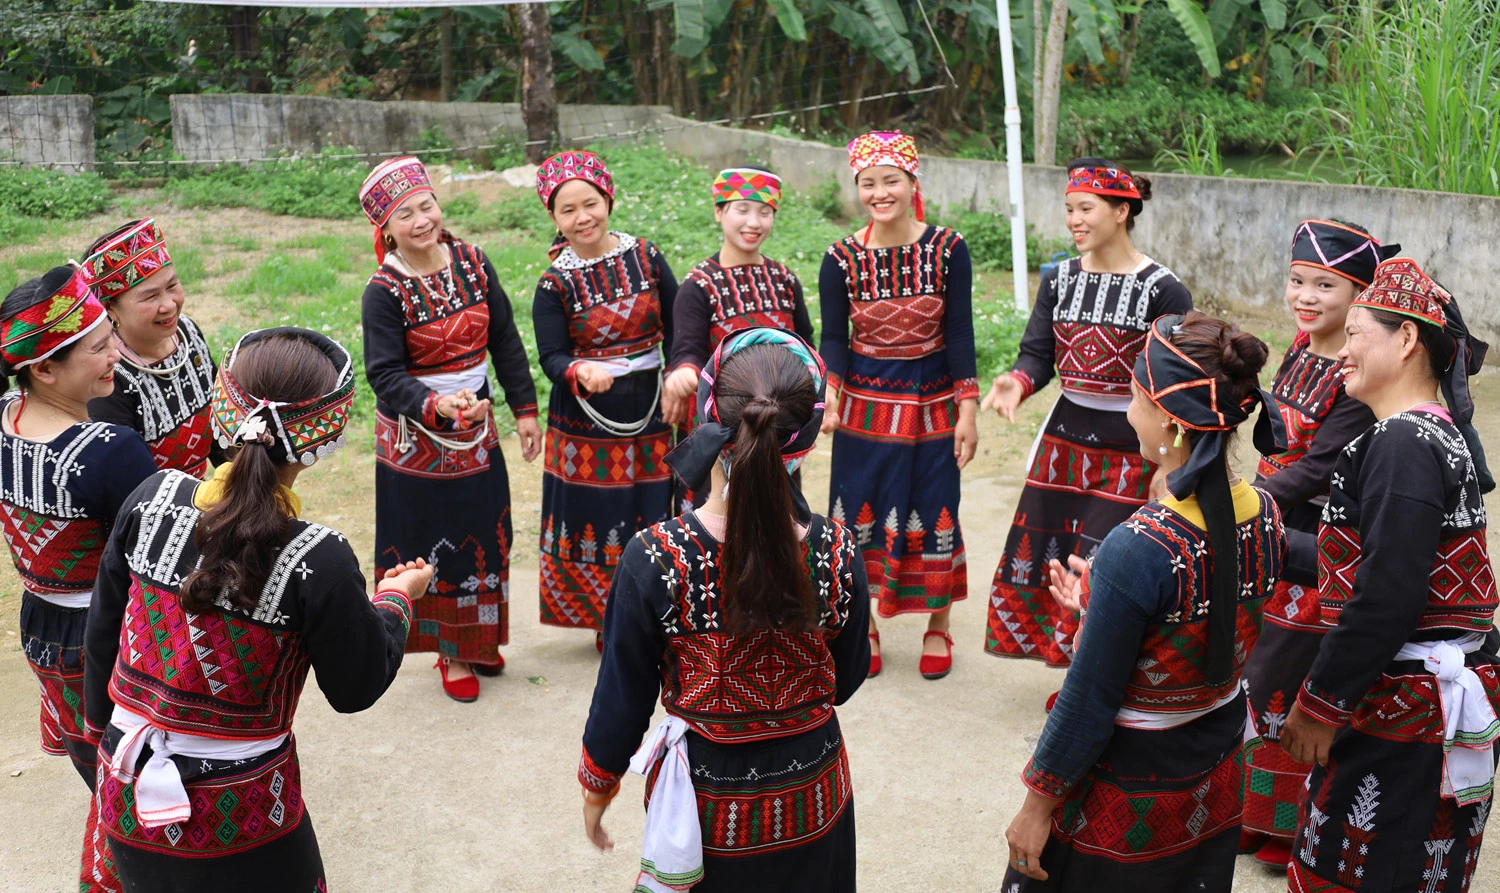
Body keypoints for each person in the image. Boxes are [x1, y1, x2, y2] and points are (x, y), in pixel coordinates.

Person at [85, 327, 432, 892]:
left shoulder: (149, 499)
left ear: (224, 409)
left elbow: (102, 637)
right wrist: (396, 599)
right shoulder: (318, 558)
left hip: (127, 789)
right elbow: (355, 687)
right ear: (327, 436)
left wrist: (103, 747)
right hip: (246, 816)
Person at [1001, 311, 1287, 891]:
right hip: (1213, 776)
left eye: (1135, 397)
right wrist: (1096, 605)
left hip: (1130, 791)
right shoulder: (1264, 514)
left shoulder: (1139, 547)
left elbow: (1088, 699)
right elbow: (1192, 625)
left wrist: (1035, 807)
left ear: (1170, 421)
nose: (1129, 413)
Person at [577, 328, 870, 892]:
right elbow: (848, 676)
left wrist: (599, 786)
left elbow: (622, 697)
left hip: (710, 809)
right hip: (815, 796)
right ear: (805, 437)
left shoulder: (655, 557)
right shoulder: (838, 549)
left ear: (709, 416)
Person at [1280, 258, 1496, 893]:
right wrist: (1256, 537)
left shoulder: (1404, 441)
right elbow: (1377, 561)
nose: (1340, 351)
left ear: (1405, 341)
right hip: (1418, 695)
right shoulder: (1433, 435)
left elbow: (1386, 595)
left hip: (1403, 706)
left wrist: (1321, 704)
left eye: (1355, 333)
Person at [983, 158, 1192, 669]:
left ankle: (1097, 671)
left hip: (1132, 442)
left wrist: (1170, 463)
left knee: (1106, 557)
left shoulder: (1164, 290)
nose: (1074, 219)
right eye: (1069, 209)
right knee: (1052, 551)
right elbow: (1037, 355)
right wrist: (1018, 383)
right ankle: (1070, 664)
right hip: (1064, 437)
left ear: (1122, 210)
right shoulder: (1058, 280)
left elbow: (1175, 383)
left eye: (1086, 208)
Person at [1238, 220, 1394, 868]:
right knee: (1254, 661)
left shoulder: (1354, 376)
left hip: (1314, 532)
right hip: (1275, 515)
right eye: (1298, 280)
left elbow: (1321, 466)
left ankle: (1287, 823)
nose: (1306, 295)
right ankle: (1251, 809)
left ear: (1357, 293)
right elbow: (1278, 440)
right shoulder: (1300, 348)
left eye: (1325, 285)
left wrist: (1245, 503)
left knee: (1286, 667)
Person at [359, 155, 541, 702]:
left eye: (426, 205)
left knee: (486, 530)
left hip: (477, 426)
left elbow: (505, 339)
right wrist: (436, 406)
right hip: (418, 441)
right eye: (405, 213)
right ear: (385, 229)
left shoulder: (474, 263)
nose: (421, 219)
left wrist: (525, 409)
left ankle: (481, 637)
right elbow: (384, 374)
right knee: (434, 541)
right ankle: (450, 650)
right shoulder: (383, 291)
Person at [0, 265, 158, 892]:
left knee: (97, 763)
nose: (116, 352)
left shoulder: (6, 420)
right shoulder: (108, 450)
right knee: (135, 781)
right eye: (98, 345)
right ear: (44, 368)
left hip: (42, 631)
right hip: (108, 637)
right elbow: (164, 556)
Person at [818, 131, 977, 680]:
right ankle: (864, 626)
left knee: (937, 507)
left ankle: (938, 625)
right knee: (856, 512)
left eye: (892, 180)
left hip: (933, 404)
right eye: (869, 183)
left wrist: (969, 408)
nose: (880, 192)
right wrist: (831, 393)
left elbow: (959, 333)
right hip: (864, 409)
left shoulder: (948, 249)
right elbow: (834, 338)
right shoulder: (840, 258)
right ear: (857, 187)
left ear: (914, 183)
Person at [531, 150, 678, 646]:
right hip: (585, 420)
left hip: (653, 406)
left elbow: (681, 329)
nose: (582, 218)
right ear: (553, 218)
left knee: (654, 506)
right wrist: (579, 368)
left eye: (589, 203)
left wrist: (681, 372)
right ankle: (604, 617)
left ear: (608, 200)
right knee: (598, 516)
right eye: (567, 210)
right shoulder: (554, 285)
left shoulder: (649, 257)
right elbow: (550, 356)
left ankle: (657, 607)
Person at [661, 165, 814, 428]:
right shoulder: (699, 286)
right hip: (718, 429)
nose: (754, 223)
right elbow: (688, 350)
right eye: (742, 210)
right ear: (718, 212)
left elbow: (805, 342)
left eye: (765, 213)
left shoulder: (785, 279)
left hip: (779, 425)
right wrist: (685, 371)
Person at [82, 218, 222, 477]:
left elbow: (218, 426)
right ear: (110, 308)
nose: (169, 305)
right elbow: (128, 483)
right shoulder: (108, 375)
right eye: (150, 296)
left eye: (171, 286)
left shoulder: (188, 332)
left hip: (201, 497)